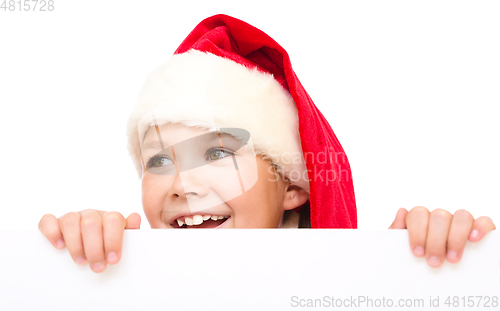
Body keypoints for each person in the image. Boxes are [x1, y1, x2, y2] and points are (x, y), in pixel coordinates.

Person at [38, 14, 495, 273]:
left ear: (293, 186)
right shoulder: (121, 275)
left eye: (216, 152)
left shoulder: (354, 284)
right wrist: (73, 267)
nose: (181, 185)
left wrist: (423, 272)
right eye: (158, 159)